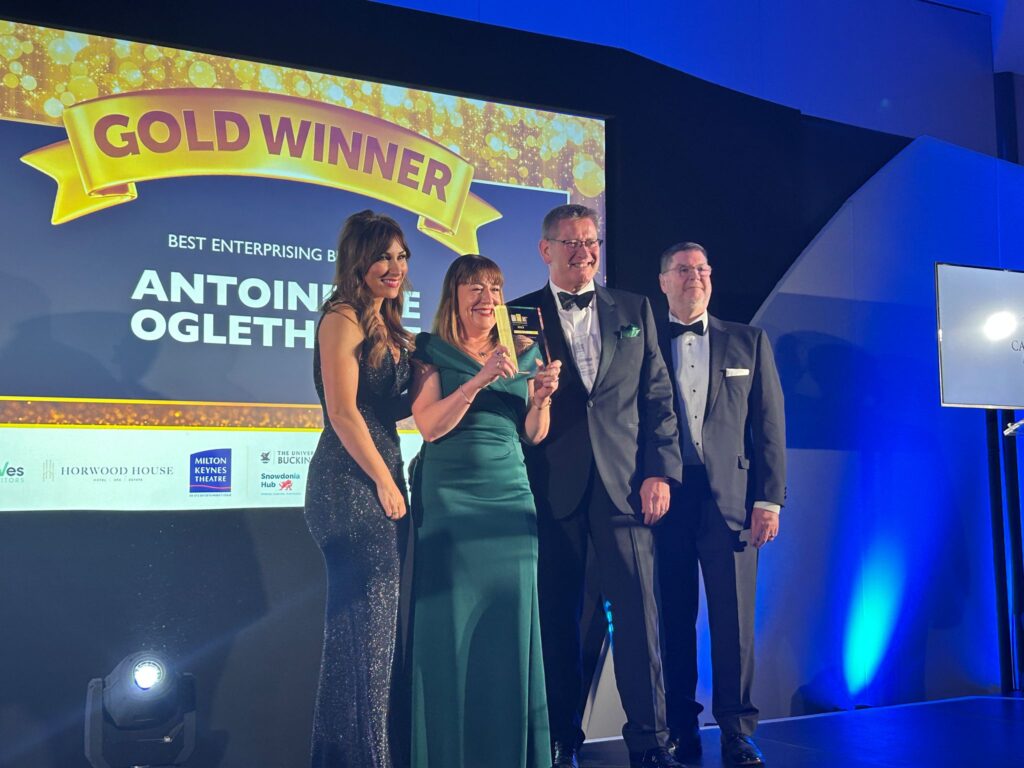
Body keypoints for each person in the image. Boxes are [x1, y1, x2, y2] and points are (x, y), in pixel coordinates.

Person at [511, 204, 684, 768]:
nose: (584, 252)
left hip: (627, 489)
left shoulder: (635, 309)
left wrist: (660, 470)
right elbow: (509, 409)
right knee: (558, 621)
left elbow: (660, 399)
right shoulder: (517, 317)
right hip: (553, 489)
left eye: (592, 241)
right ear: (545, 250)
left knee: (639, 620)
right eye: (571, 243)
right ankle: (562, 741)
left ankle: (651, 743)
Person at [408, 254, 561, 768]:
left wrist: (539, 397)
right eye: (473, 287)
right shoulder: (430, 351)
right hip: (451, 500)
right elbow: (428, 426)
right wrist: (477, 381)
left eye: (494, 287)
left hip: (510, 500)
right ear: (453, 295)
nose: (486, 297)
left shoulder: (523, 351)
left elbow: (534, 434)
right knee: (451, 627)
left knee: (509, 626)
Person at [655, 242, 786, 767]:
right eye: (685, 270)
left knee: (733, 623)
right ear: (663, 281)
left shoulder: (748, 341)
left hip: (732, 502)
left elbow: (770, 427)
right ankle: (680, 728)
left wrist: (769, 500)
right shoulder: (642, 344)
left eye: (704, 269)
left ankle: (736, 730)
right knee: (672, 618)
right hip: (664, 499)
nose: (697, 278)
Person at [303, 210, 414, 768]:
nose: (395, 267)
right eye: (383, 256)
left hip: (379, 479)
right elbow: (344, 414)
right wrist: (384, 482)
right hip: (350, 487)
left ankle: (343, 758)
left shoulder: (388, 326)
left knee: (360, 636)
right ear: (358, 260)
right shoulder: (342, 318)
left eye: (401, 256)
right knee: (367, 634)